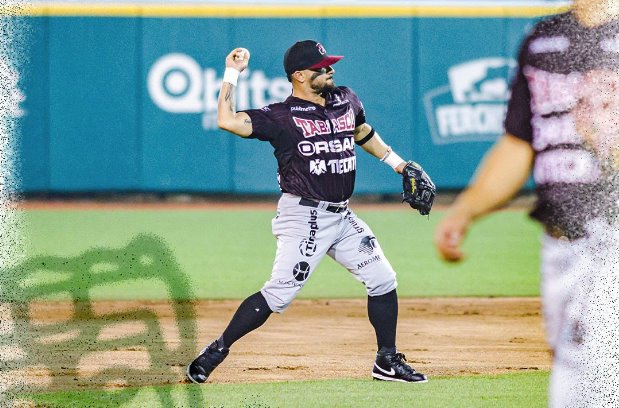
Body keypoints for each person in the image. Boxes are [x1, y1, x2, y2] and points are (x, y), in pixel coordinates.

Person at [185, 40, 432, 384]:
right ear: (299, 75)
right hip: (303, 216)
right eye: (321, 67)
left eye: (330, 65)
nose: (329, 70)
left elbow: (361, 131)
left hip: (342, 216)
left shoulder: (345, 98)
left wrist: (397, 164)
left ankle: (386, 361)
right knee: (278, 293)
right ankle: (216, 351)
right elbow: (226, 120)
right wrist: (232, 73)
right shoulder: (281, 117)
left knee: (383, 279)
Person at [434, 1, 619, 406]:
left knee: (592, 380)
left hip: (609, 236)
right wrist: (466, 209)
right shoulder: (543, 40)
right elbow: (519, 144)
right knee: (572, 367)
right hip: (561, 246)